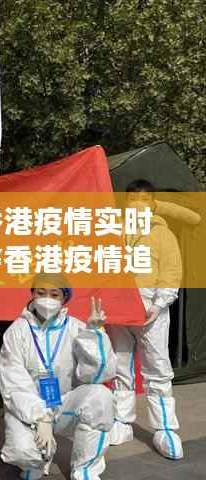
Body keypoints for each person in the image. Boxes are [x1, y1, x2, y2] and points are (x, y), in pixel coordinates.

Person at [0, 273, 117, 480]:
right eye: (41, 293)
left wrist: (94, 334)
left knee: (101, 397)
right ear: (33, 294)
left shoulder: (76, 327)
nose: (47, 299)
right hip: (28, 409)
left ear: (64, 299)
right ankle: (38, 459)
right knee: (22, 453)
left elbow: (97, 375)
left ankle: (85, 470)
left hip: (63, 406)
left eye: (54, 295)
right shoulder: (16, 332)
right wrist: (40, 416)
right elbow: (13, 383)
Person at [108, 179, 183, 459]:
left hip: (152, 312)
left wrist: (159, 304)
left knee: (157, 368)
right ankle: (122, 421)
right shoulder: (115, 231)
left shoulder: (163, 234)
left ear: (152, 204)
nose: (137, 205)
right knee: (120, 365)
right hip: (120, 311)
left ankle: (164, 428)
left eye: (143, 200)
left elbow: (171, 272)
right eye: (132, 200)